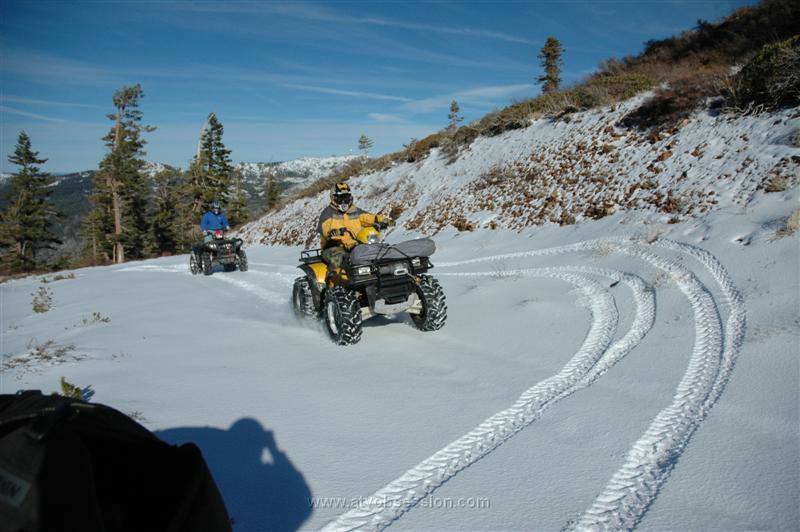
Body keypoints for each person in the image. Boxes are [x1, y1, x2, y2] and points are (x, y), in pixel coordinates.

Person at [317, 182, 392, 269]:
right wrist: (332, 232)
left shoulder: (354, 211)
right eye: (340, 198)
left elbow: (370, 218)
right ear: (333, 198)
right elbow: (325, 228)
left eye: (346, 197)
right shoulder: (327, 213)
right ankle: (331, 279)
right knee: (338, 258)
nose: (344, 201)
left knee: (378, 253)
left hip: (357, 245)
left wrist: (385, 221)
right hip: (334, 247)